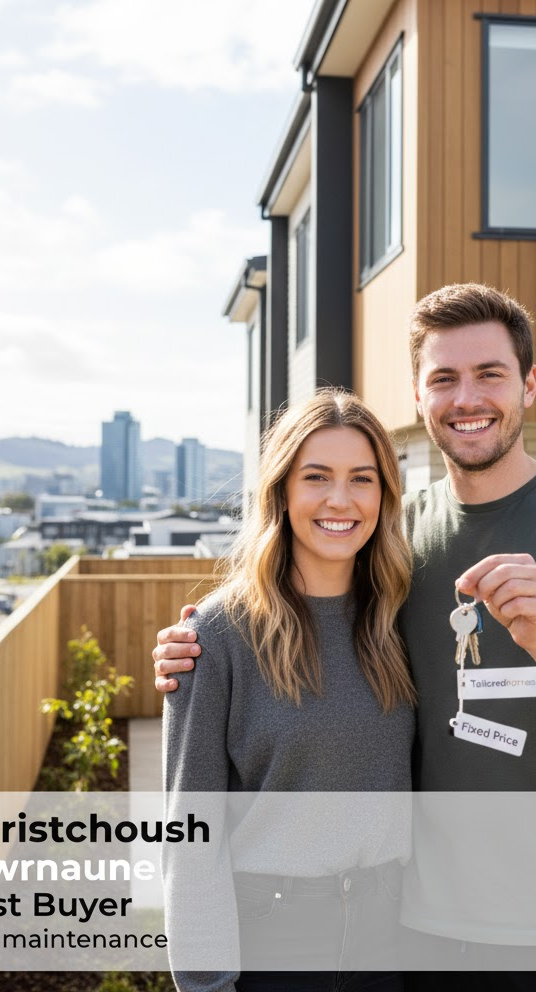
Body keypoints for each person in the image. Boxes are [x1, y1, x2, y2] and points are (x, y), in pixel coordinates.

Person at [157, 283, 536, 990]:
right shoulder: (393, 542)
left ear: (530, 383)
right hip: (422, 934)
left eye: (491, 374)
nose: (468, 398)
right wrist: (201, 647)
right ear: (419, 397)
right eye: (444, 378)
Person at [162, 389, 419, 992]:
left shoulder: (402, 618)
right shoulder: (217, 637)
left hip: (391, 938)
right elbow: (189, 833)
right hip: (272, 939)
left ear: (384, 496)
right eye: (316, 477)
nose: (340, 499)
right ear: (280, 491)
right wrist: (205, 982)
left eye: (362, 478)